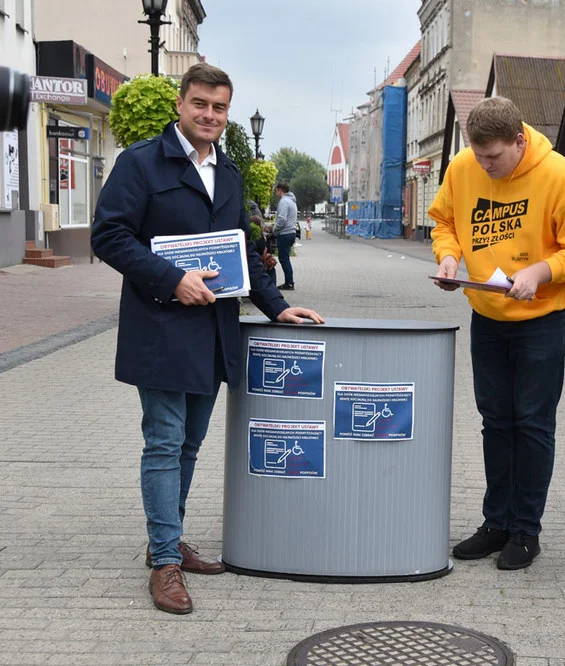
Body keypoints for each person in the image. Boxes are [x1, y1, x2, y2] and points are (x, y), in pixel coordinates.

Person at [91, 63, 324, 615]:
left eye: (220, 108)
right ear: (180, 103)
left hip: (213, 330)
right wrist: (173, 278)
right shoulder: (141, 163)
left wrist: (278, 306)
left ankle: (166, 537)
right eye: (201, 104)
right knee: (165, 443)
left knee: (190, 444)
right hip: (161, 326)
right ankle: (165, 562)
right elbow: (109, 235)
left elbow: (243, 250)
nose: (210, 116)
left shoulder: (232, 173)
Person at [430, 97, 565, 570]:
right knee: (495, 420)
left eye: (495, 157)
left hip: (543, 319)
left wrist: (543, 271)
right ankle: (495, 523)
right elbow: (444, 220)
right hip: (487, 314)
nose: (485, 166)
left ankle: (526, 530)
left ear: (520, 141)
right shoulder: (465, 166)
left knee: (531, 422)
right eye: (478, 155)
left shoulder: (562, 177)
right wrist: (448, 257)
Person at [273, 182, 297, 290]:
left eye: (276, 190)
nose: (276, 192)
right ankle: (289, 281)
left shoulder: (284, 201)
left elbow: (282, 219)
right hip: (291, 232)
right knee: (286, 258)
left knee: (284, 259)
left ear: (280, 190)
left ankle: (289, 283)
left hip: (284, 233)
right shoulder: (292, 201)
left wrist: (274, 229)